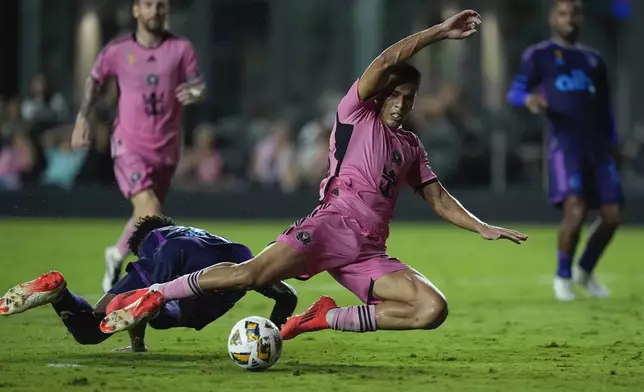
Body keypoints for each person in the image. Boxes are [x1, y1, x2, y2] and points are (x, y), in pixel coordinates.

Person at [100, 9, 527, 340]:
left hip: (367, 252)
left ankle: (324, 318)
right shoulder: (355, 114)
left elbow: (438, 198)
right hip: (327, 227)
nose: (400, 103)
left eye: (409, 98)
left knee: (432, 310)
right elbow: (386, 58)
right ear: (380, 95)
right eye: (394, 94)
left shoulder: (410, 147)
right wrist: (438, 33)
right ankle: (153, 295)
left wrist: (481, 226)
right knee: (249, 275)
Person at [0, 216, 297, 352]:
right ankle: (154, 307)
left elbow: (126, 303)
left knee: (91, 328)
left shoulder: (155, 241)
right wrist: (273, 335)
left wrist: (136, 343)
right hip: (237, 256)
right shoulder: (204, 236)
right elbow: (287, 298)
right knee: (172, 316)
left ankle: (58, 291)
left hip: (176, 257)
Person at [70, 0, 207, 293]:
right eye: (148, 4)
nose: (155, 10)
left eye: (160, 5)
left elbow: (198, 85)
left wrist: (195, 93)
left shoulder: (181, 49)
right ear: (136, 10)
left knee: (148, 215)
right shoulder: (118, 51)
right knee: (150, 208)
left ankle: (117, 254)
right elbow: (94, 81)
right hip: (129, 144)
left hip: (167, 148)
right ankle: (149, 283)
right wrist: (82, 118)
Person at [506, 0, 622, 301]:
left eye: (574, 13)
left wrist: (613, 141)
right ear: (552, 18)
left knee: (612, 215)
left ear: (580, 18)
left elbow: (605, 106)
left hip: (598, 147)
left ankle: (585, 270)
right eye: (563, 13)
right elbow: (515, 91)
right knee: (576, 209)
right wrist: (529, 100)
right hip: (565, 145)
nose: (569, 18)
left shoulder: (594, 60)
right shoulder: (539, 55)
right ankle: (563, 277)